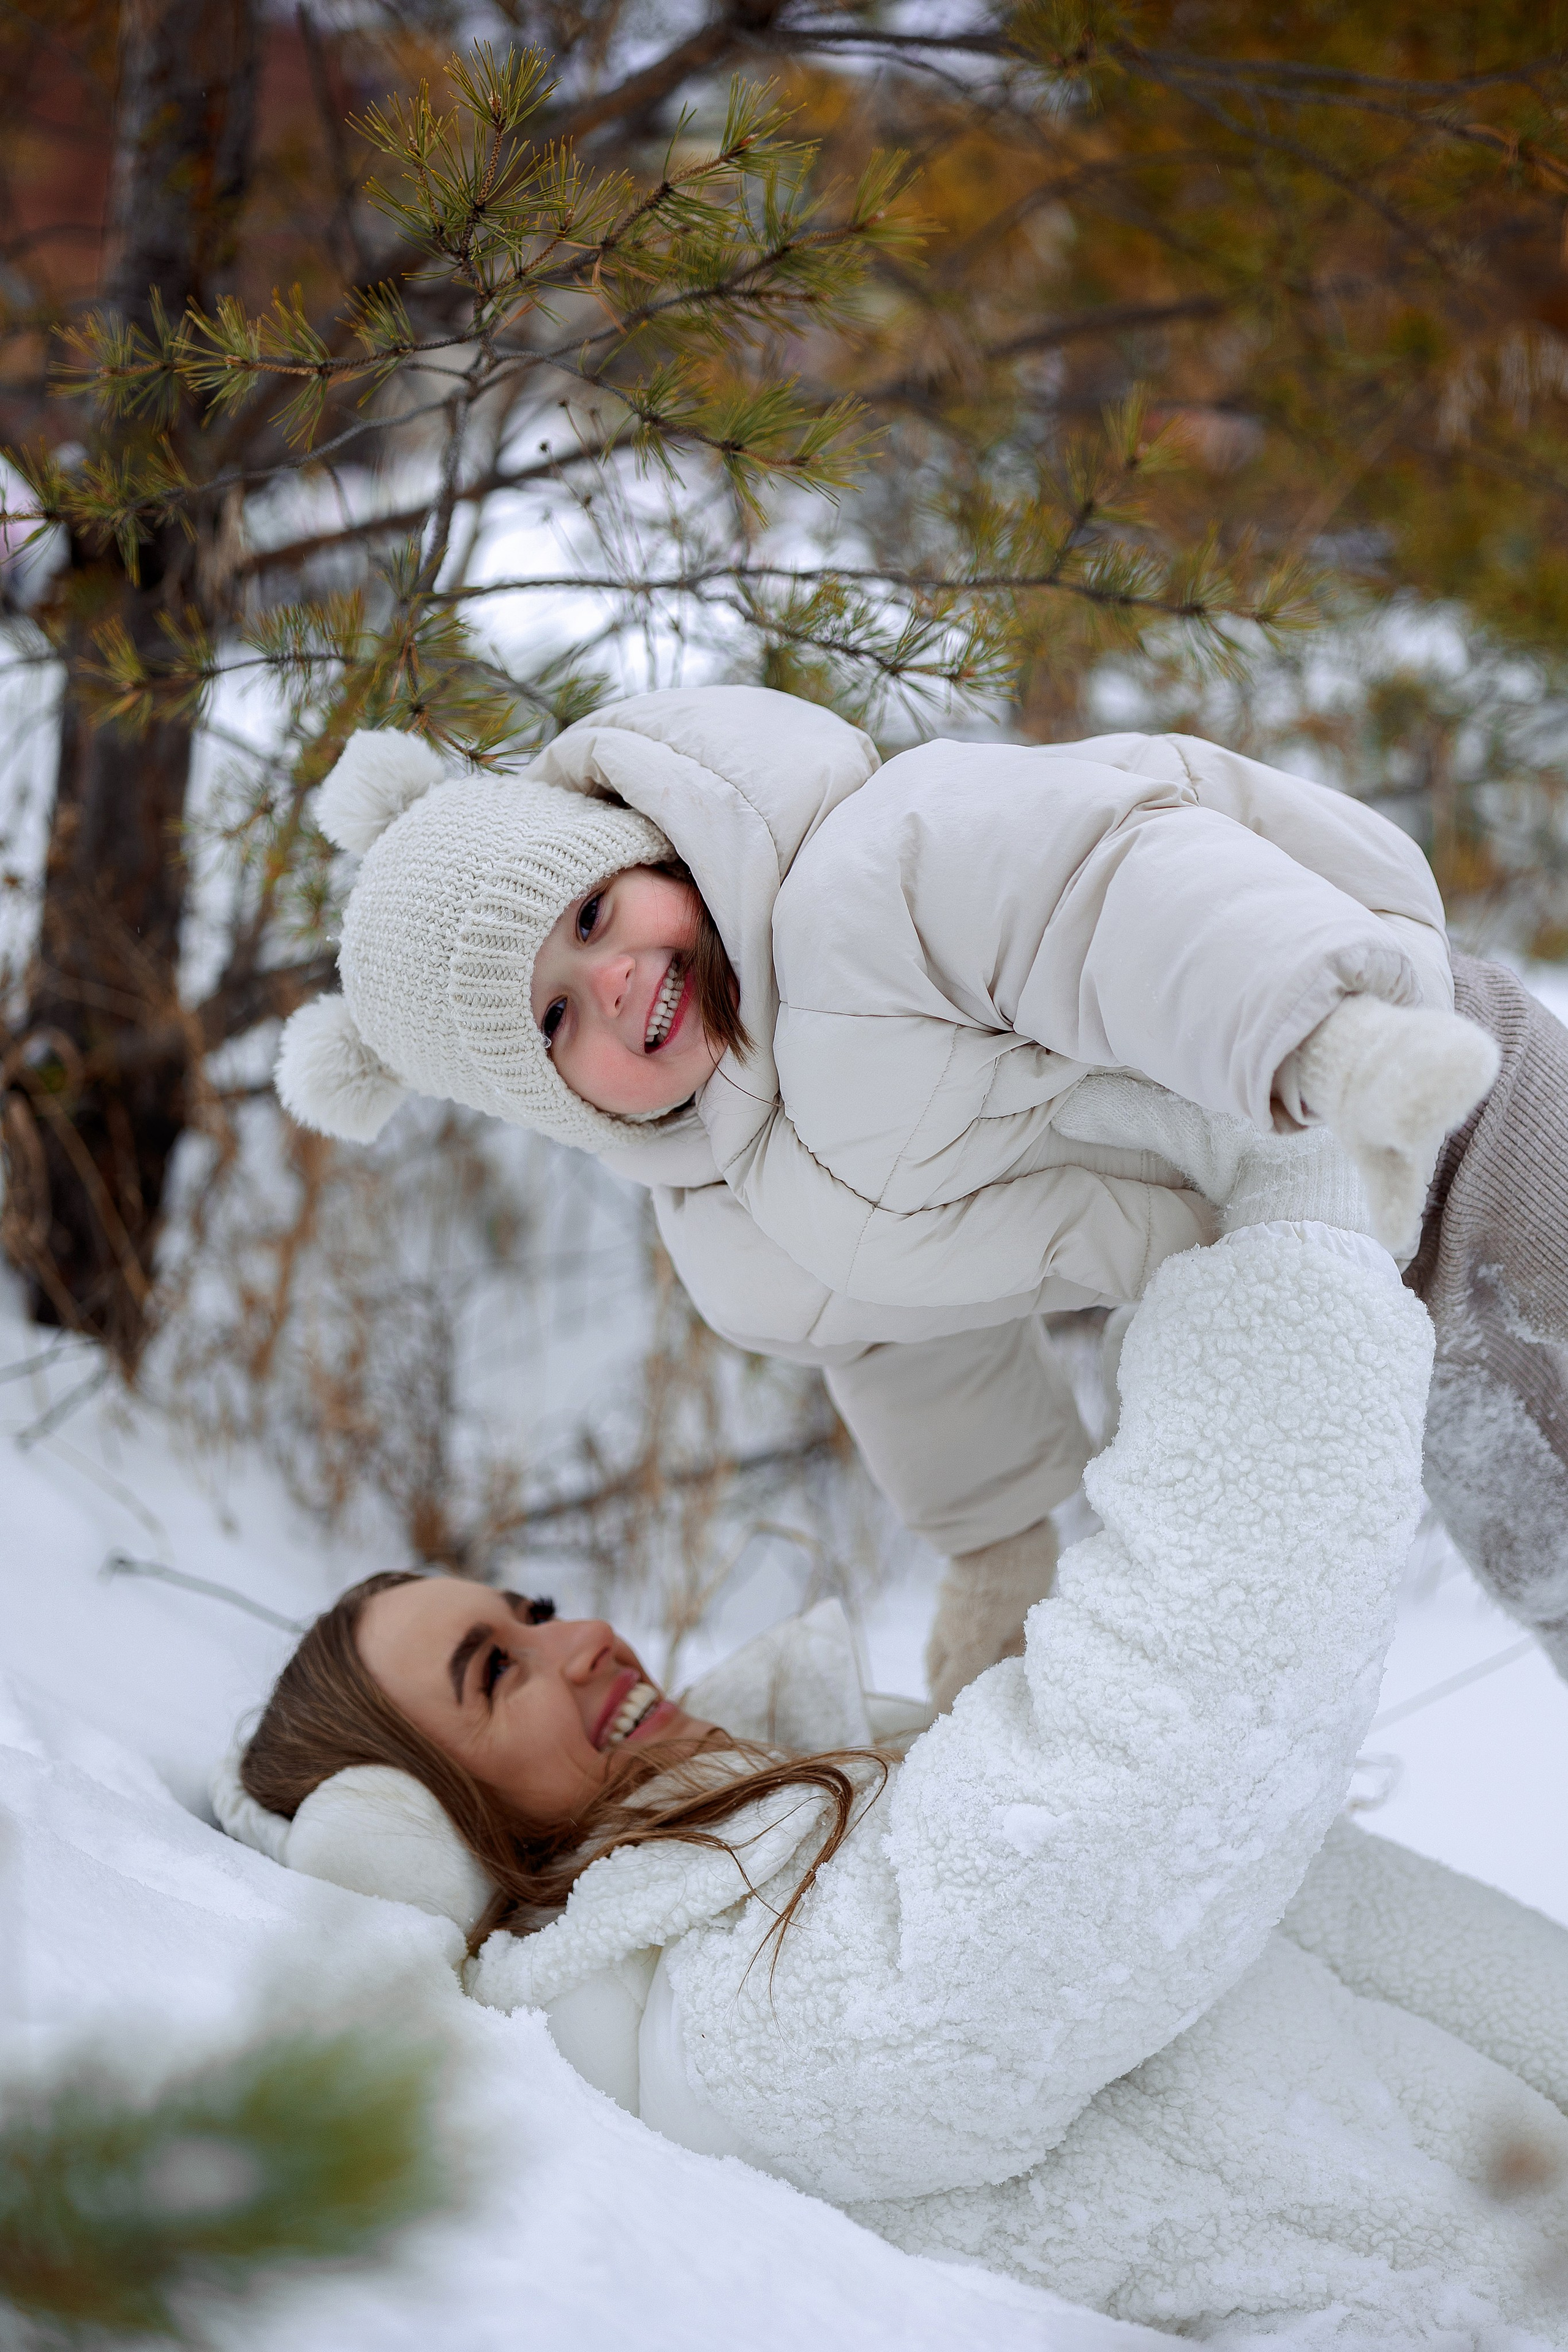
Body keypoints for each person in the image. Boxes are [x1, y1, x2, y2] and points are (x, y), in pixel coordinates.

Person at [222, 1143, 1568, 2345]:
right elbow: (1157, 1746)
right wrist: (1295, 1244)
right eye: (493, 1673)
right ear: (446, 1824)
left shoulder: (793, 1820)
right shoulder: (757, 2026)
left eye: (525, 1608)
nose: (576, 1637)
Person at [272, 687, 1534, 1703]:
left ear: (653, 847)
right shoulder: (732, 1232)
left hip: (1419, 1092)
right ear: (555, 1103)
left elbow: (1118, 899)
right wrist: (994, 1543)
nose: (609, 982)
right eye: (553, 1015)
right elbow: (893, 1337)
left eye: (597, 912)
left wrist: (1323, 1043)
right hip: (1309, 1282)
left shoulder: (878, 874)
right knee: (1543, 1550)